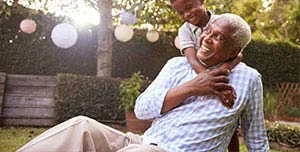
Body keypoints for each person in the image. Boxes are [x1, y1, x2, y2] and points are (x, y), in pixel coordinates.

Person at [17, 14, 270, 152]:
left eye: (218, 37)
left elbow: (257, 141)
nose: (206, 38)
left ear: (233, 50)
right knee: (80, 127)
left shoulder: (248, 79)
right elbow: (142, 109)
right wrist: (193, 87)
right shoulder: (177, 65)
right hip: (143, 141)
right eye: (208, 31)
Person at [169, 0, 241, 151]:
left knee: (229, 122)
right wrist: (208, 79)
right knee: (203, 118)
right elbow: (192, 59)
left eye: (189, 7)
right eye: (180, 13)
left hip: (224, 77)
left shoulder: (222, 22)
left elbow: (238, 55)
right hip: (199, 78)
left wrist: (223, 70)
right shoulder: (184, 30)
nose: (186, 15)